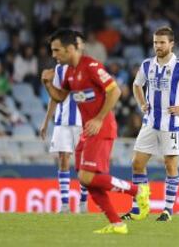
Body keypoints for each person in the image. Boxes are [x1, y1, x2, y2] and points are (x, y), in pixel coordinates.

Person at [41, 29, 150, 234]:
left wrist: (99, 118)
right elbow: (60, 97)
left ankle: (138, 190)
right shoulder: (70, 72)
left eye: (57, 50)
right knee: (85, 178)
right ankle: (117, 223)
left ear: (71, 48)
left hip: (101, 127)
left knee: (87, 176)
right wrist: (47, 83)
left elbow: (115, 90)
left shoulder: (91, 66)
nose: (54, 55)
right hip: (87, 130)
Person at [121, 26, 179, 222]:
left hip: (171, 124)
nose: (158, 46)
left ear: (171, 44)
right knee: (137, 163)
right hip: (150, 123)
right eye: (155, 42)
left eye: (162, 42)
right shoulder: (146, 65)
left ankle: (167, 210)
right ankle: (138, 209)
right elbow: (136, 85)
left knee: (170, 165)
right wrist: (142, 103)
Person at [39, 32, 88, 213]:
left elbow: (95, 95)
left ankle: (83, 202)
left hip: (82, 122)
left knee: (83, 164)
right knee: (63, 159)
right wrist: (46, 121)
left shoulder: (87, 67)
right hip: (62, 121)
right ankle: (65, 204)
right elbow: (55, 97)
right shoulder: (59, 70)